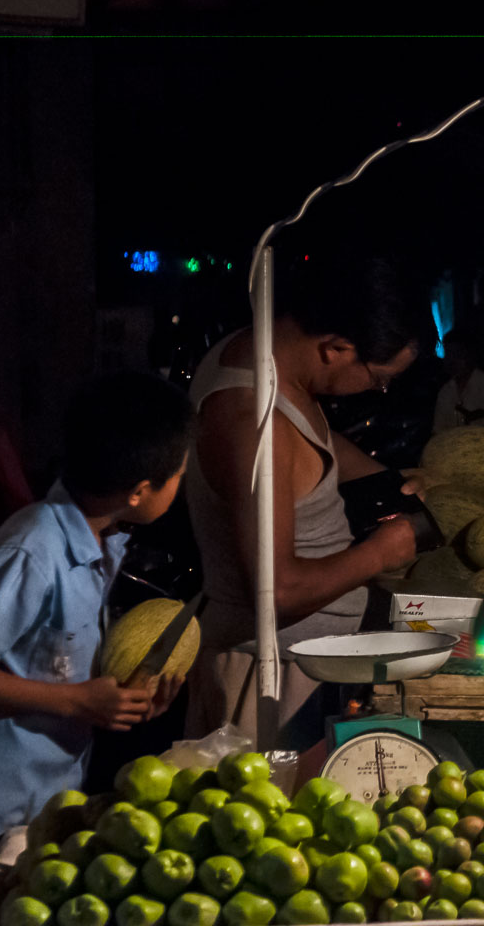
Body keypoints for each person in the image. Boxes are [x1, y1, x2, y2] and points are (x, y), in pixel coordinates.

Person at [0, 371, 191, 909]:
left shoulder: (96, 543)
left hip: (45, 804)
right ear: (139, 491)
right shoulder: (33, 550)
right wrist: (77, 701)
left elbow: (52, 662)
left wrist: (123, 699)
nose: (181, 485)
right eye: (178, 475)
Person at [184, 254, 432, 750]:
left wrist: (386, 480)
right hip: (266, 683)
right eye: (380, 378)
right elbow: (279, 592)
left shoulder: (265, 359)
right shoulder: (253, 424)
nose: (378, 392)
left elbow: (311, 441)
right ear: (335, 348)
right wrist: (384, 551)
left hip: (302, 668)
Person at [433, 329, 484, 432]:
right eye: (449, 354)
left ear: (470, 355)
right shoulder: (445, 392)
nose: (452, 361)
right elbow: (438, 431)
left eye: (457, 354)